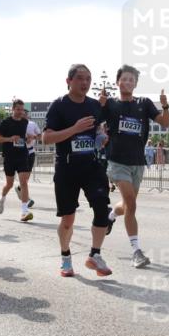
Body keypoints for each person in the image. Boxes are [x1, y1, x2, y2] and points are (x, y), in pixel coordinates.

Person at [42, 64, 113, 277]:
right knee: (68, 219)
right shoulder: (59, 106)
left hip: (90, 165)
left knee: (102, 208)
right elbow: (46, 138)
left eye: (88, 79)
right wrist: (74, 129)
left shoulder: (93, 105)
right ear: (69, 81)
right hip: (66, 166)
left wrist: (100, 137)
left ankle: (95, 255)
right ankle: (65, 256)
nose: (85, 83)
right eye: (80, 78)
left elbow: (98, 129)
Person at [101, 64, 169, 268]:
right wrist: (100, 105)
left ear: (136, 84)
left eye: (132, 79)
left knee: (127, 205)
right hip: (116, 161)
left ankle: (110, 216)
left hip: (137, 162)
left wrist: (165, 106)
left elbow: (165, 123)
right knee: (131, 202)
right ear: (118, 82)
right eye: (125, 79)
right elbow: (95, 121)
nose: (129, 82)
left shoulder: (144, 103)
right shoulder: (111, 104)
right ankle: (136, 251)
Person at [0, 99, 35, 222]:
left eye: (22, 110)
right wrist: (10, 139)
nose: (20, 112)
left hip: (22, 155)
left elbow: (23, 137)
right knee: (10, 184)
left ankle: (24, 211)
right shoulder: (5, 122)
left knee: (24, 182)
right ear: (13, 109)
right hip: (9, 157)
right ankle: (2, 199)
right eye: (18, 109)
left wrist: (27, 139)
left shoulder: (25, 122)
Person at [15, 112, 39, 208]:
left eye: (25, 114)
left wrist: (32, 137)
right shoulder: (15, 125)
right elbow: (15, 140)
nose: (23, 116)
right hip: (21, 152)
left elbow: (40, 136)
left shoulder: (33, 124)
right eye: (21, 114)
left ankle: (19, 188)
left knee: (27, 177)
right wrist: (25, 139)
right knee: (24, 178)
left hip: (31, 151)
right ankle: (26, 200)